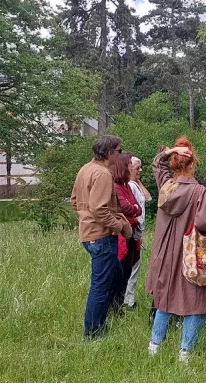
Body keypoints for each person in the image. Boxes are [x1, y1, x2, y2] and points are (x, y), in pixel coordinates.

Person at [146, 137, 206, 362]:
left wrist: (171, 150)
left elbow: (157, 164)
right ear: (192, 164)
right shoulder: (198, 192)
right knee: (197, 302)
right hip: (190, 253)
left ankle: (155, 346)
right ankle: (185, 352)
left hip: (166, 253)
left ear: (175, 164)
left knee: (165, 300)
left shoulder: (166, 186)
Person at [71, 135, 133, 339]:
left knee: (114, 276)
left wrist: (84, 217)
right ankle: (93, 333)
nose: (121, 154)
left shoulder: (85, 169)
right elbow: (99, 210)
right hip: (102, 236)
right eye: (118, 151)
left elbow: (74, 200)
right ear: (108, 153)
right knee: (101, 285)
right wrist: (119, 226)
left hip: (89, 235)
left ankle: (100, 324)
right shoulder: (103, 174)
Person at [111, 151, 142, 311]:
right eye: (130, 164)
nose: (133, 168)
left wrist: (134, 208)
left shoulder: (126, 186)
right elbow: (127, 207)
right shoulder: (116, 186)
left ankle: (119, 304)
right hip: (122, 234)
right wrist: (134, 208)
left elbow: (136, 207)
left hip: (131, 232)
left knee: (128, 270)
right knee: (120, 270)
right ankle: (114, 306)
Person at [124, 156, 152, 308]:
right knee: (132, 267)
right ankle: (128, 300)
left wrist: (137, 180)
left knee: (135, 266)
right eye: (137, 168)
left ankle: (129, 298)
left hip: (138, 232)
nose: (140, 170)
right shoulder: (130, 186)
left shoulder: (135, 184)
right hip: (133, 232)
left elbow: (148, 197)